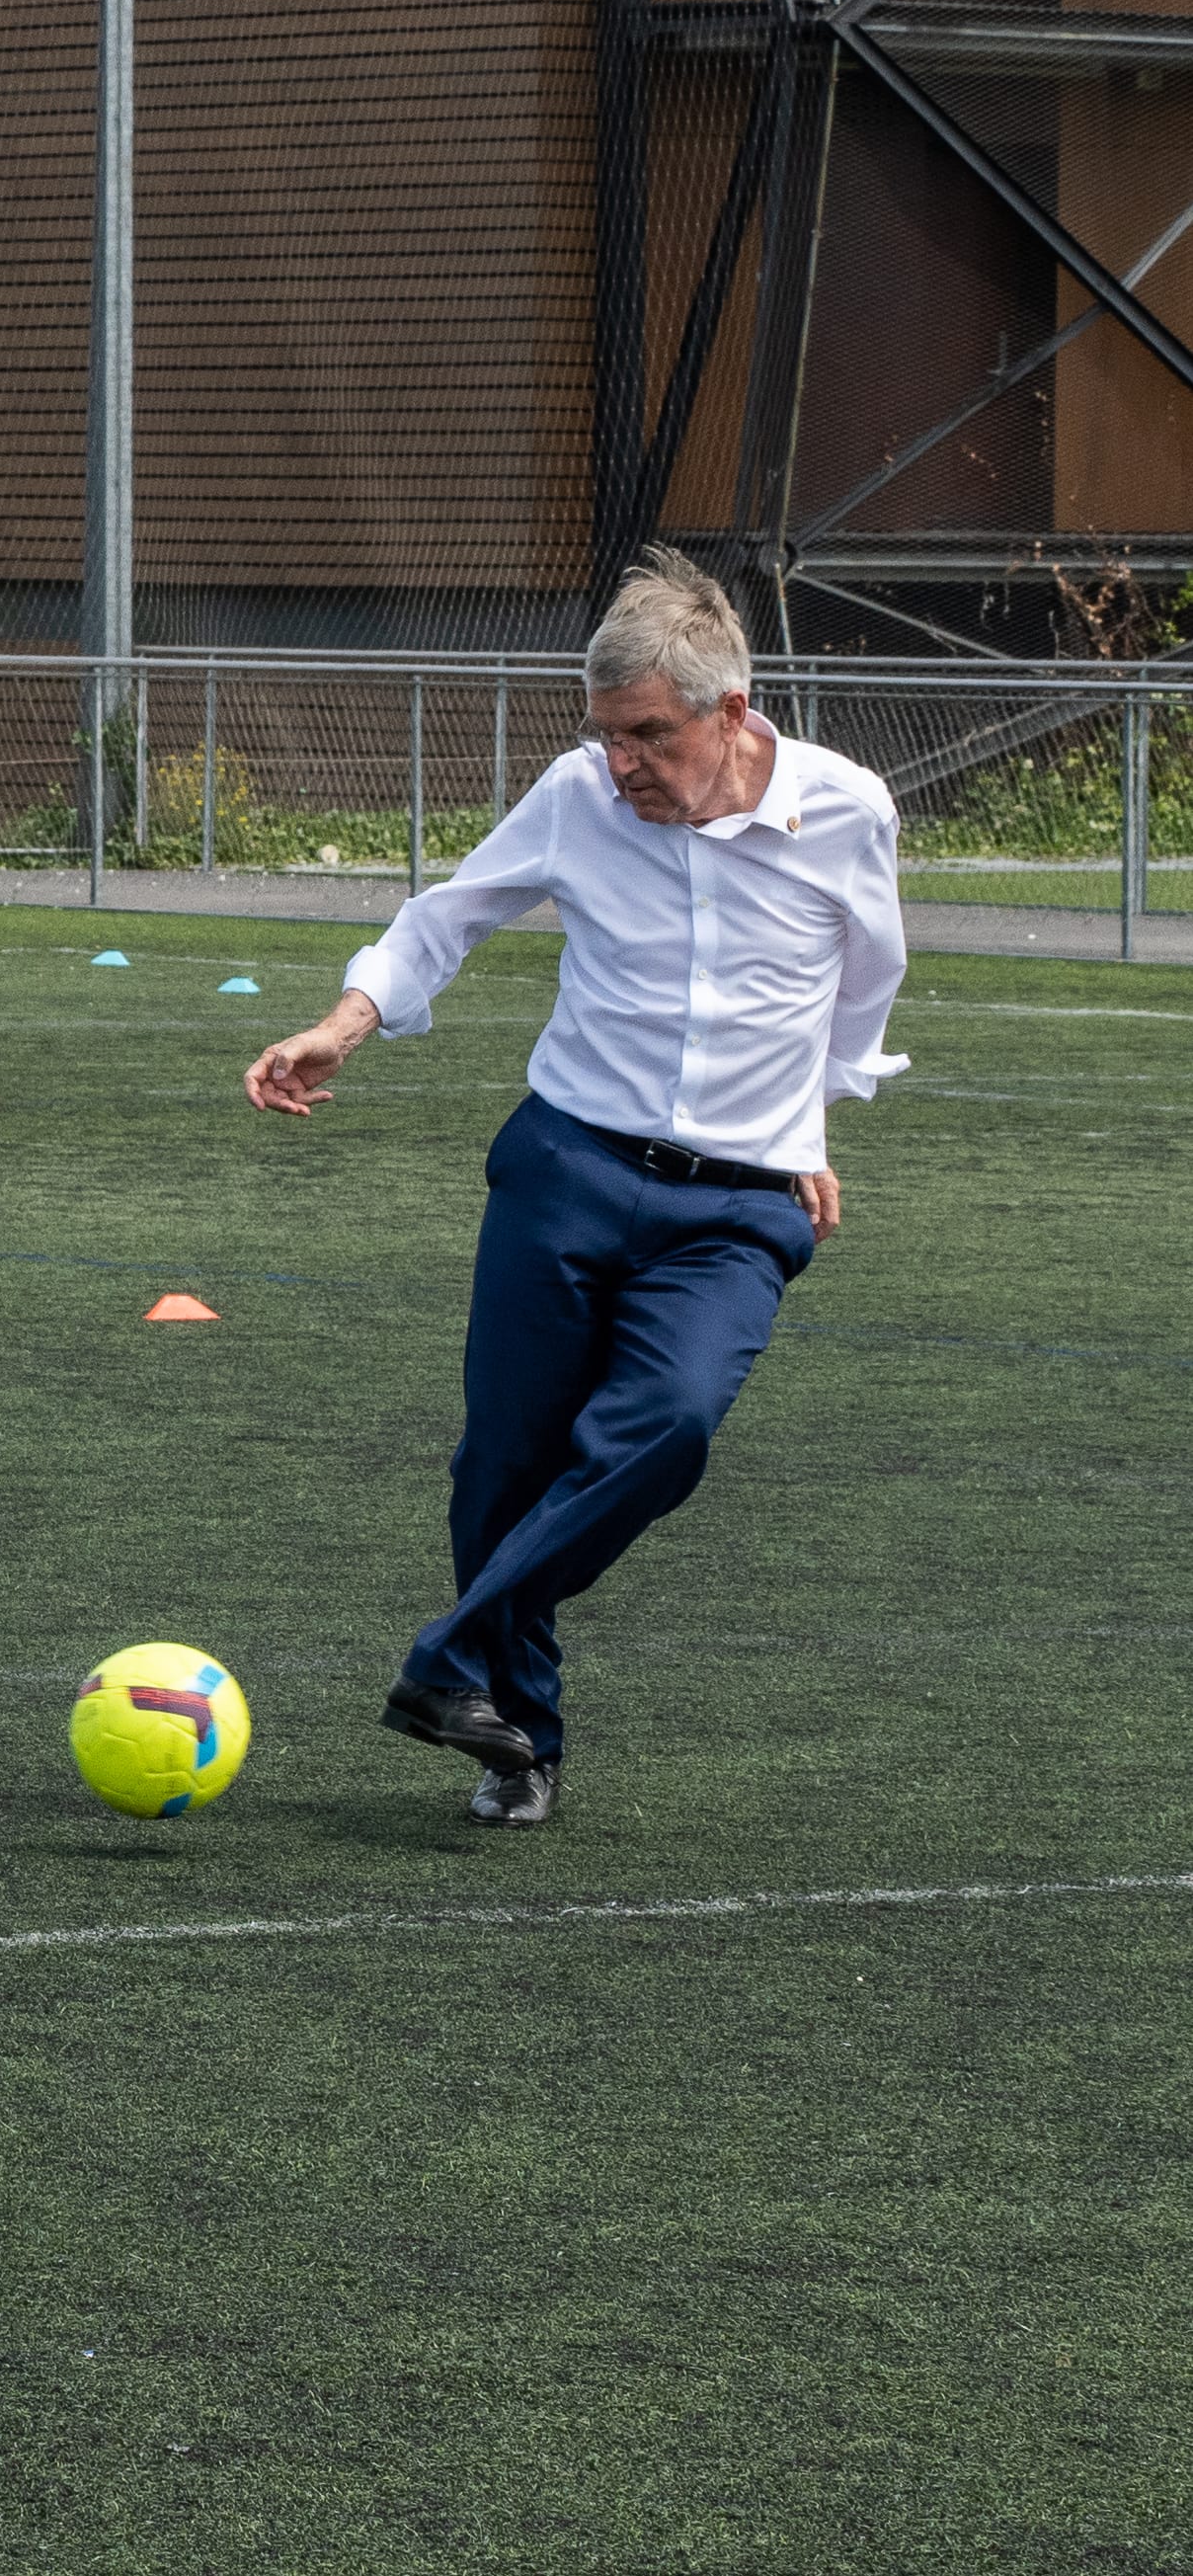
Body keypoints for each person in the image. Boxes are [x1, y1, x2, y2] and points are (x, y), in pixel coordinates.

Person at [243, 549, 907, 1825]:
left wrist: (816, 1124)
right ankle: (520, 1743)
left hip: (739, 1205)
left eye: (649, 736)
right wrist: (346, 1022)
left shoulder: (847, 809)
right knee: (502, 1465)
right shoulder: (574, 793)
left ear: (731, 713)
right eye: (607, 736)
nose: (623, 766)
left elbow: (864, 980)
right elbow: (448, 916)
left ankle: (447, 1661)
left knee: (666, 1428)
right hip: (569, 1166)